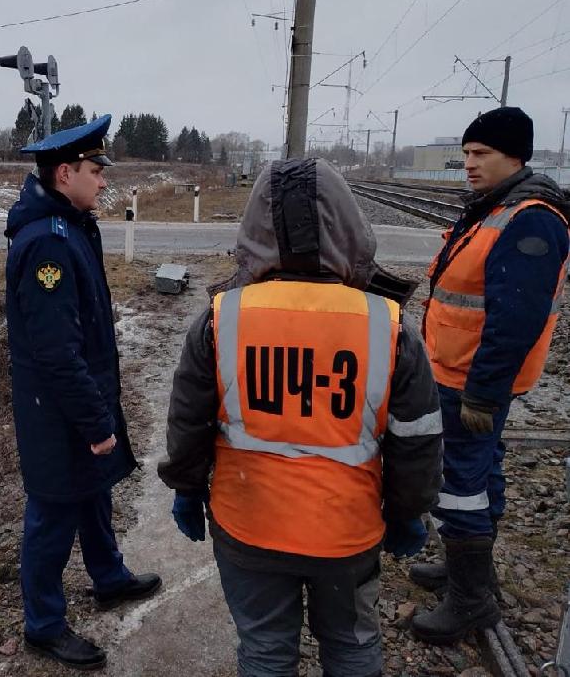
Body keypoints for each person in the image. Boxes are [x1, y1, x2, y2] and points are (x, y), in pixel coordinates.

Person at [158, 158, 443, 677]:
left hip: (248, 527)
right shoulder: (389, 326)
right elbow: (417, 438)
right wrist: (408, 510)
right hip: (346, 533)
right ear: (350, 228)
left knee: (265, 648)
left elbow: (188, 420)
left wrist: (185, 487)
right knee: (352, 644)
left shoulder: (223, 319)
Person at [4, 114, 161, 671]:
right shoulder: (47, 244)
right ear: (65, 172)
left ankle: (109, 576)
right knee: (52, 513)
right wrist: (95, 423)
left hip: (79, 398)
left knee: (95, 490)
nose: (103, 181)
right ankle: (42, 624)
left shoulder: (71, 222)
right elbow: (55, 353)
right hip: (58, 411)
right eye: (96, 170)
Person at [411, 107, 570, 644]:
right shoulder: (495, 206)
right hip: (456, 370)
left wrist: (483, 389)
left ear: (515, 156)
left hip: (473, 380)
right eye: (465, 155)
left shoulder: (532, 219)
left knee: (461, 485)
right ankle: (470, 574)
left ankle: (471, 601)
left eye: (481, 154)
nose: (469, 165)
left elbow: (516, 317)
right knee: (480, 472)